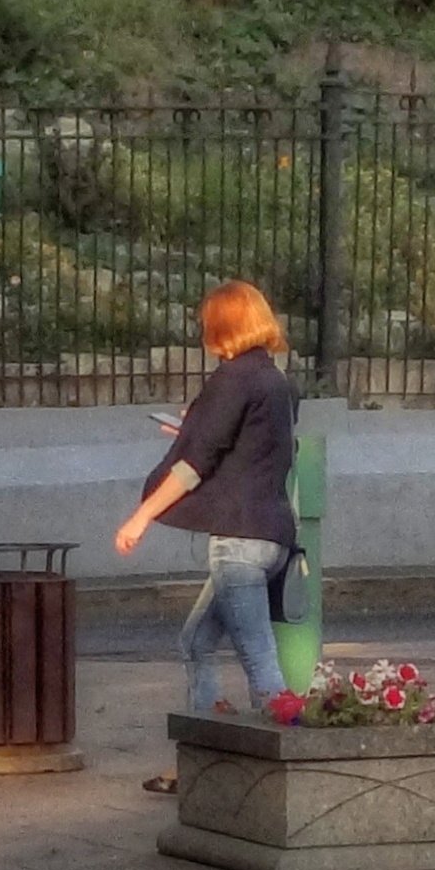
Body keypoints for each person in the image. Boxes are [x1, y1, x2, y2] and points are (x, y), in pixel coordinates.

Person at [115, 279, 301, 788]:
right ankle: (201, 761)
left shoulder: (233, 378)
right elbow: (248, 447)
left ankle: (294, 771)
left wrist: (140, 517)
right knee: (196, 641)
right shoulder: (277, 382)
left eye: (206, 325)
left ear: (220, 327)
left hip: (238, 541)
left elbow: (193, 466)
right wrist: (191, 432)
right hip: (272, 536)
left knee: (262, 666)